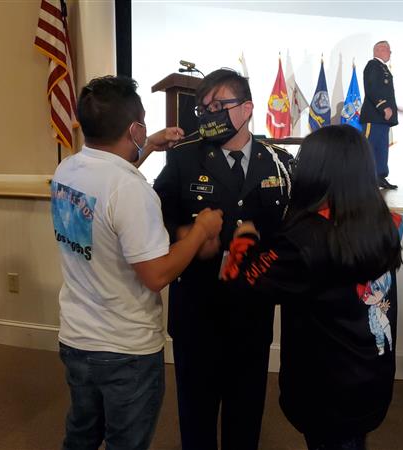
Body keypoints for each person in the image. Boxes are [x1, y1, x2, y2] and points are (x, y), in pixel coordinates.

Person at [50, 75, 223, 450]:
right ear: (135, 129)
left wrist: (150, 146)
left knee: (81, 435)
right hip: (124, 350)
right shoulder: (132, 191)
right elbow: (156, 274)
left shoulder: (68, 169)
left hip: (77, 339)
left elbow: (111, 185)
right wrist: (200, 231)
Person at [222, 125, 403, 450]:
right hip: (370, 377)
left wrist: (245, 238)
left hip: (328, 392)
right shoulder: (382, 221)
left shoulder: (308, 238)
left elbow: (244, 282)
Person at [153, 68, 292, 450]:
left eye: (218, 105)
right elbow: (155, 215)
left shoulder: (278, 162)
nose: (208, 114)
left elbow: (289, 231)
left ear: (247, 108)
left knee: (245, 418)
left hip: (251, 312)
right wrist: (185, 234)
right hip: (198, 311)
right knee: (196, 418)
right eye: (203, 108)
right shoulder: (183, 159)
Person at [360, 40, 399, 190]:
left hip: (382, 119)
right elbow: (371, 88)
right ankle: (365, 179)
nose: (390, 52)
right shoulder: (373, 65)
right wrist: (383, 106)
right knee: (369, 148)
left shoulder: (382, 67)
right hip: (373, 116)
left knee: (382, 149)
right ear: (378, 50)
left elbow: (384, 91)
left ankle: (380, 177)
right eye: (387, 49)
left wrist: (394, 108)